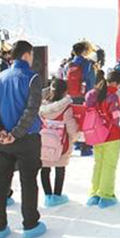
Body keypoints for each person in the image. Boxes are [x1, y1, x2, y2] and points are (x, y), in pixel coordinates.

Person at [0, 40, 46, 238]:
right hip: (27, 139)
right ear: (27, 54)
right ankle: (30, 224)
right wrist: (16, 133)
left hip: (4, 141)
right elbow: (31, 110)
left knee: (0, 184)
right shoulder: (32, 77)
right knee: (28, 182)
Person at [85, 70, 120, 208]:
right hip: (112, 135)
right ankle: (106, 195)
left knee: (98, 164)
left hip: (96, 135)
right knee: (109, 165)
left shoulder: (92, 94)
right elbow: (116, 118)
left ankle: (94, 194)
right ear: (115, 83)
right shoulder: (112, 96)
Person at [39, 78, 79, 207]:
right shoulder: (66, 108)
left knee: (45, 169)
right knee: (59, 168)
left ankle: (47, 196)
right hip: (61, 144)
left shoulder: (42, 106)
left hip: (44, 142)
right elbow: (71, 126)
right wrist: (75, 137)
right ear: (65, 91)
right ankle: (57, 195)